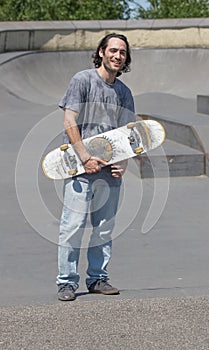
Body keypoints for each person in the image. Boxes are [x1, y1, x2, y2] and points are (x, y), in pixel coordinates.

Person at [57, 33, 135, 301]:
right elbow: (69, 120)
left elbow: (128, 133)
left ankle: (98, 278)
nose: (117, 56)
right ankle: (66, 282)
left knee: (103, 228)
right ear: (101, 52)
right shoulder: (83, 80)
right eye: (112, 50)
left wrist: (123, 162)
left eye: (122, 52)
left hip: (110, 173)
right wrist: (84, 157)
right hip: (80, 169)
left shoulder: (124, 92)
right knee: (73, 226)